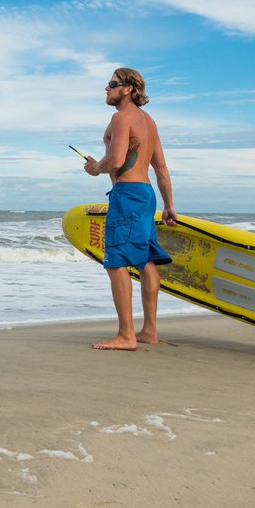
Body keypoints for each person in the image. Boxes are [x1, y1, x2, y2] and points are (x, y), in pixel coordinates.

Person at [82, 67, 178, 351]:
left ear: (128, 89)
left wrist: (93, 168)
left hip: (127, 194)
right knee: (146, 260)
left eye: (112, 84)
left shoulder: (121, 118)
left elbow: (115, 161)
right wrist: (169, 205)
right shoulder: (148, 121)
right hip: (146, 195)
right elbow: (160, 168)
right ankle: (149, 331)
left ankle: (126, 335)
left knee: (115, 261)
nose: (106, 89)